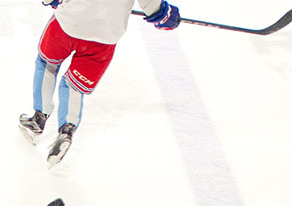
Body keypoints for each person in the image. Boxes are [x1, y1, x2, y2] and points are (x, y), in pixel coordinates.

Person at [21, 1, 181, 166]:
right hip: (104, 37)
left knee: (47, 65)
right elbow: (156, 11)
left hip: (68, 23)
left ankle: (38, 119)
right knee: (73, 85)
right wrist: (167, 15)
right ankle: (66, 131)